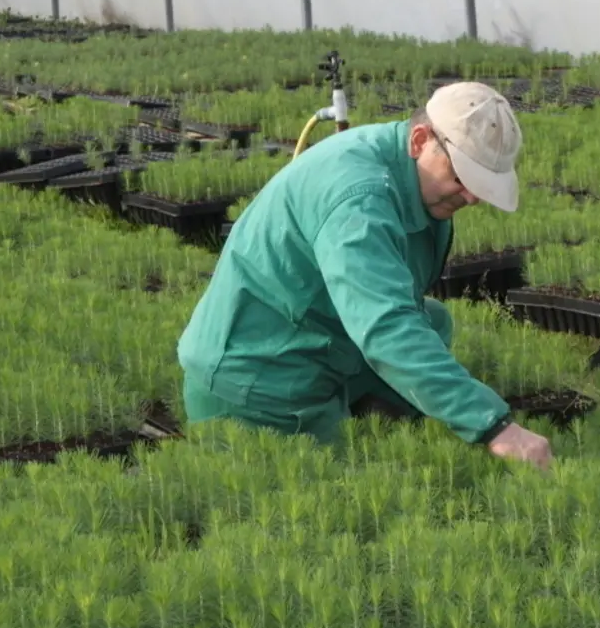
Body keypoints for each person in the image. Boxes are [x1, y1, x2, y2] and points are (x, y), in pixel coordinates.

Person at [176, 82, 553, 470]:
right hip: (259, 378)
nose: (472, 198)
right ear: (420, 140)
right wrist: (495, 428)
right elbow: (386, 327)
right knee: (330, 506)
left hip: (315, 339)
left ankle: (386, 434)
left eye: (480, 187)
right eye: (461, 177)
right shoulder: (359, 200)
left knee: (434, 321)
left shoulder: (405, 170)